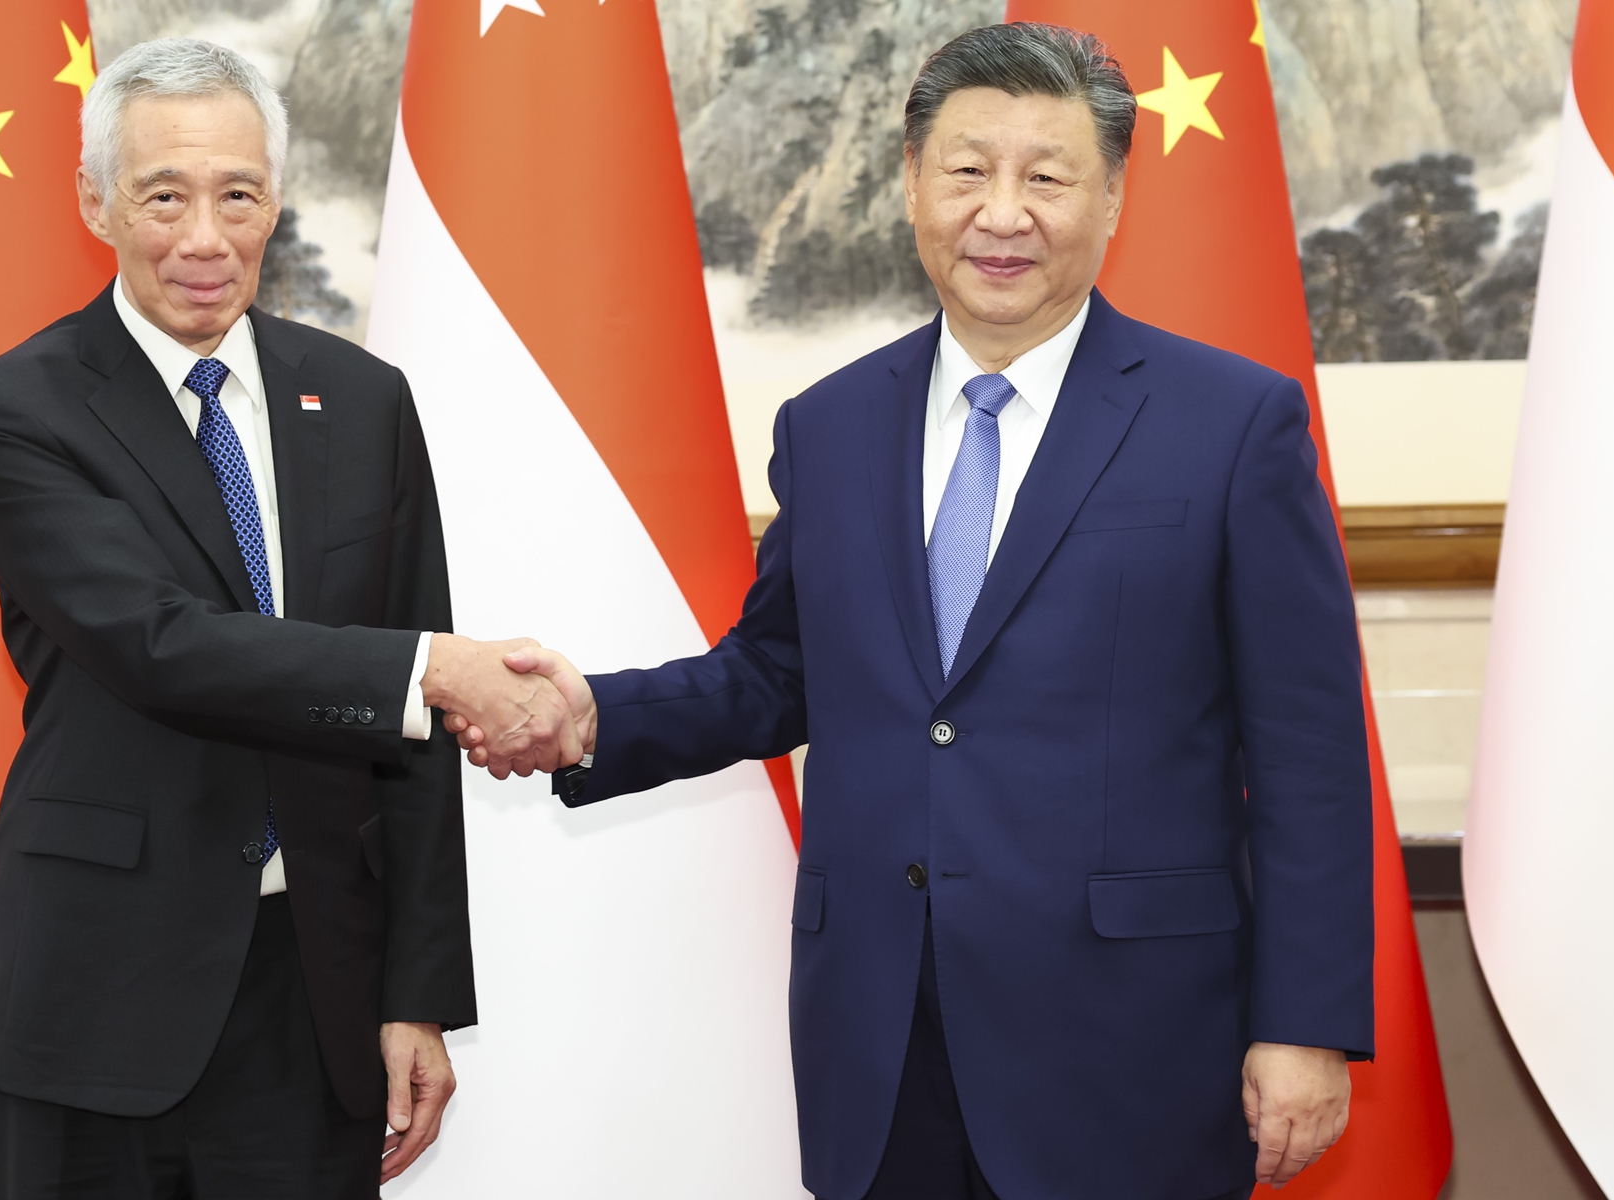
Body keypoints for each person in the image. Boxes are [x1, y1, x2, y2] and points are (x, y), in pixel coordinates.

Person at [458, 23, 1372, 1200]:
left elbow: (1307, 754)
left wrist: (1301, 1024)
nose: (1002, 213)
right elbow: (776, 671)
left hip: (1125, 1043)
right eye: (966, 171)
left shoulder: (1232, 423)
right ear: (909, 184)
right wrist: (590, 715)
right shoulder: (831, 425)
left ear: (1111, 197)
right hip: (880, 1037)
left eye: (1045, 177)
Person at [0, 38, 580, 1199]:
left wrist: (416, 991)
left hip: (313, 1004)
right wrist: (433, 672)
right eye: (162, 195)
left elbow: (409, 738)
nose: (204, 238)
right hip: (96, 1002)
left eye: (238, 194)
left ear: (276, 197)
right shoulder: (6, 413)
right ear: (94, 201)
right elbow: (157, 643)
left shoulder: (364, 400)